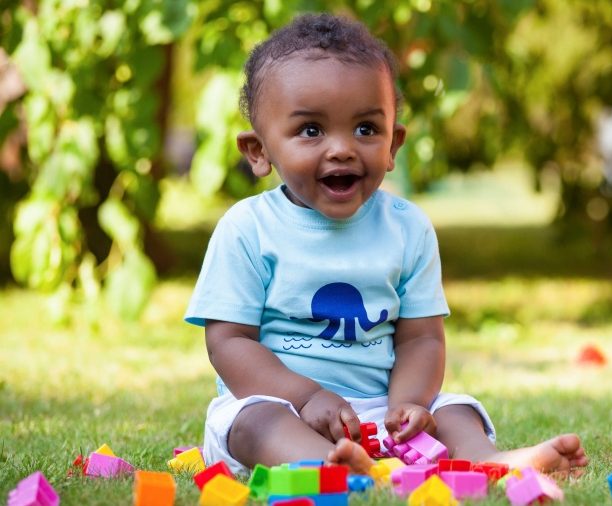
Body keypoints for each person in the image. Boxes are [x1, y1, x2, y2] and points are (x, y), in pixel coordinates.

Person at [185, 12, 588, 477]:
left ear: (394, 143)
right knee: (254, 422)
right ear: (259, 151)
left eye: (365, 129)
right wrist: (307, 396)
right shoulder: (247, 228)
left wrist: (408, 405)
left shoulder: (407, 229)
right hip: (283, 407)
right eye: (311, 130)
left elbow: (421, 338)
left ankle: (494, 464)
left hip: (379, 411)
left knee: (457, 410)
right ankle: (328, 466)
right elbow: (229, 342)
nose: (342, 149)